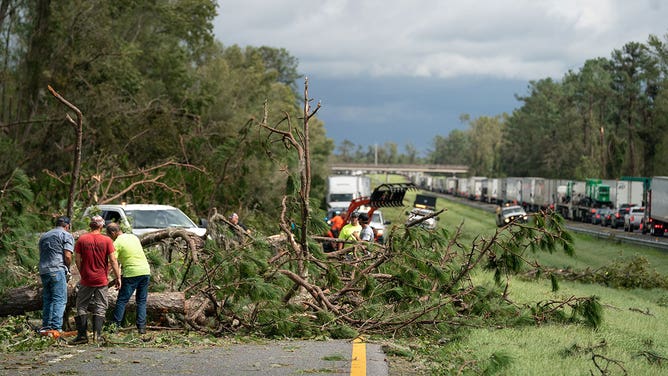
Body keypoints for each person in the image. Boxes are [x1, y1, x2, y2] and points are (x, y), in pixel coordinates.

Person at [69, 215, 121, 345]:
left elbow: (77, 259)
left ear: (90, 225)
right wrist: (118, 277)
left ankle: (82, 336)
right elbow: (113, 260)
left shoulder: (82, 239)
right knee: (101, 306)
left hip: (86, 279)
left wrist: (83, 273)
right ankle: (97, 336)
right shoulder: (107, 240)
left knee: (81, 305)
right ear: (101, 226)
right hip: (101, 279)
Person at [106, 223, 151, 334]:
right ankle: (141, 328)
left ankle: (114, 327)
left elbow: (113, 261)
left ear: (113, 233)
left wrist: (115, 277)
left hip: (132, 273)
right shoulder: (133, 237)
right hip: (145, 271)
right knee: (141, 301)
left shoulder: (117, 243)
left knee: (122, 300)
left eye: (109, 235)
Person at [38, 216, 74, 337]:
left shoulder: (44, 236)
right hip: (57, 269)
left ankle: (46, 328)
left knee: (48, 299)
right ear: (67, 226)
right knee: (59, 299)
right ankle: (56, 328)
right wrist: (68, 268)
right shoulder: (66, 235)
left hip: (44, 271)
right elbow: (68, 256)